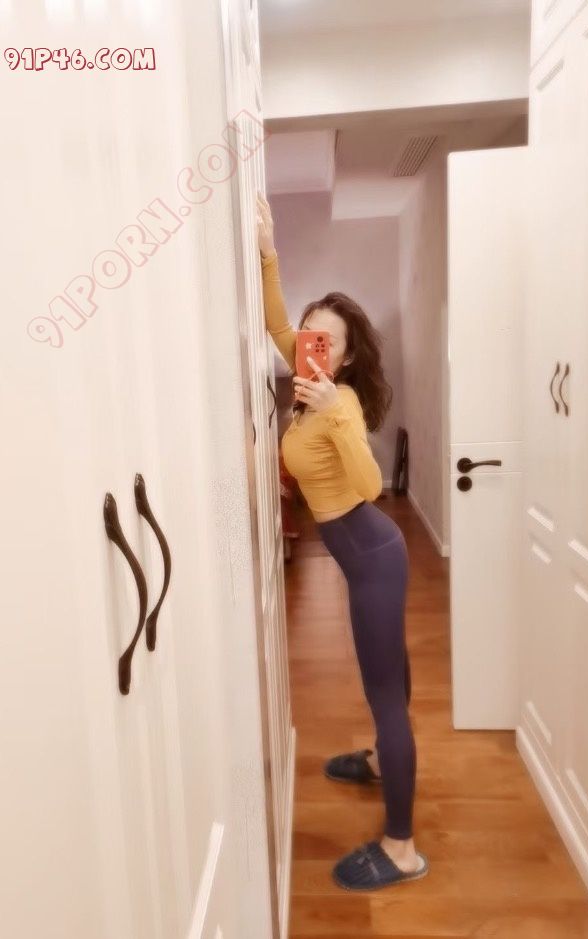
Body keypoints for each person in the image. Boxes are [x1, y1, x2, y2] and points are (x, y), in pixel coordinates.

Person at [256, 192, 429, 891]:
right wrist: (268, 253)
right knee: (390, 676)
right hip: (362, 558)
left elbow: (371, 485)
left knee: (384, 693)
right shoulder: (306, 381)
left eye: (325, 343)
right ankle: (387, 763)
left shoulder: (340, 401)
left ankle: (402, 848)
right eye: (308, 337)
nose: (310, 348)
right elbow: (273, 322)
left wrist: (336, 413)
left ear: (348, 356)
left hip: (374, 554)